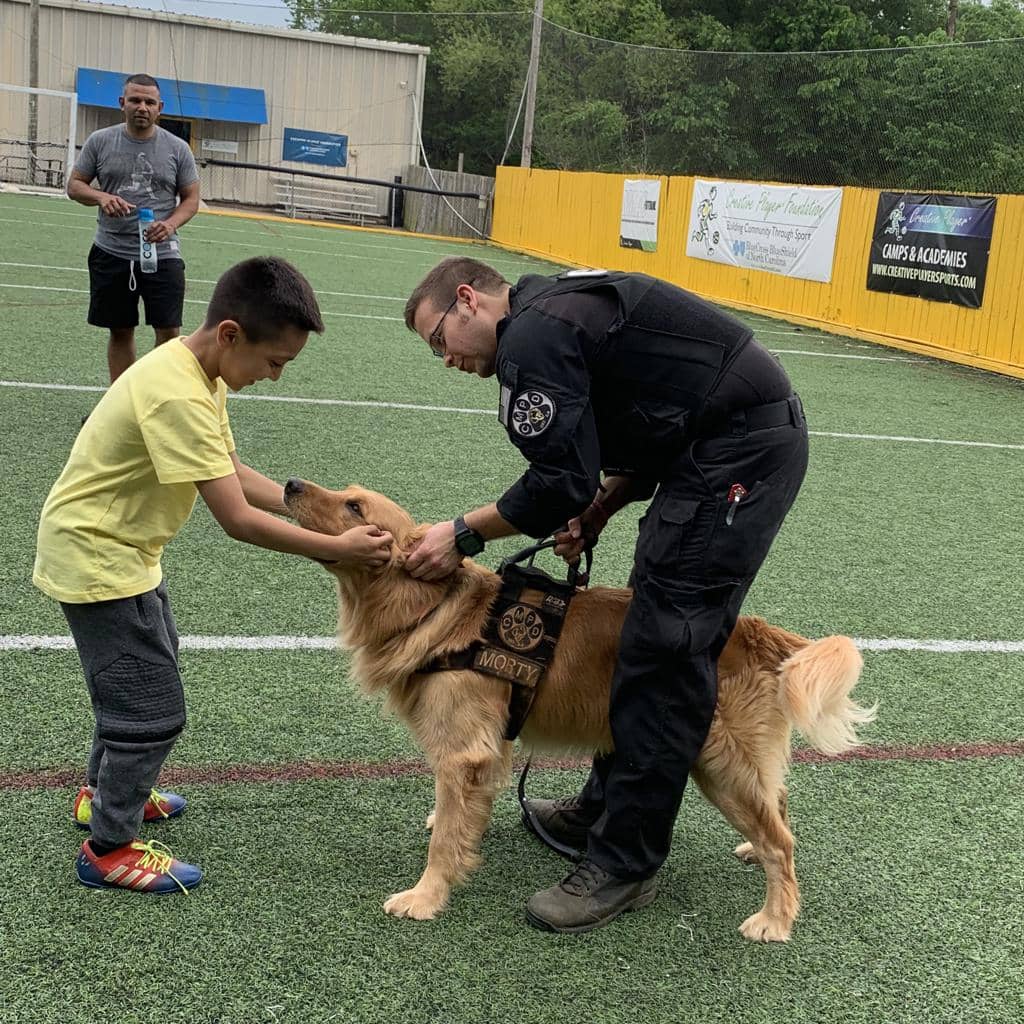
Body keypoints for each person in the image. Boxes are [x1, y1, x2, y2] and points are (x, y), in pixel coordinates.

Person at [404, 257, 808, 933]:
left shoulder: (531, 337)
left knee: (662, 649)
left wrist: (461, 534)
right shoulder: (550, 313)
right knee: (647, 624)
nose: (444, 358)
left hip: (740, 454)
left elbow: (559, 481)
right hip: (710, 449)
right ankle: (604, 806)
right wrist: (597, 512)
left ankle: (625, 862)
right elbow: (654, 425)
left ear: (469, 301)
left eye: (438, 339)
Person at [33, 256, 394, 894]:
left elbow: (234, 475)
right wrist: (336, 550)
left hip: (124, 552)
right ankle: (108, 845)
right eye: (275, 361)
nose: (275, 375)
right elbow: (234, 518)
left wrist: (306, 505)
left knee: (139, 678)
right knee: (153, 708)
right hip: (97, 557)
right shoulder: (177, 392)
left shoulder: (201, 373)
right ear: (230, 335)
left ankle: (102, 795)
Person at [67, 73, 200, 382]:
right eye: (135, 100)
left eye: (149, 102)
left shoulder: (178, 148)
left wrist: (169, 225)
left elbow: (191, 199)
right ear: (122, 103)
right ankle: (122, 405)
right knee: (121, 329)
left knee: (169, 332)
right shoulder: (100, 141)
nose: (142, 107)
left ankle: (156, 399)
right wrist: (101, 197)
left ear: (160, 107)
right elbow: (75, 186)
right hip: (111, 252)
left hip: (162, 255)